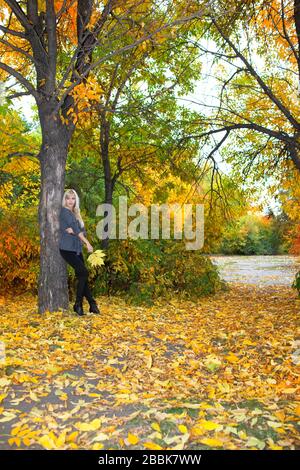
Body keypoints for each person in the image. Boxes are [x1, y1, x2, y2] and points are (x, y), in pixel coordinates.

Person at [59, 188, 100, 316]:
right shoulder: (65, 212)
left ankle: (92, 305)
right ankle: (78, 304)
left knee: (83, 275)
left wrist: (77, 232)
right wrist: (87, 243)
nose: (70, 201)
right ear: (64, 200)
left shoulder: (76, 213)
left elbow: (80, 231)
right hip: (67, 249)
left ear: (76, 200)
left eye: (72, 198)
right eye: (67, 198)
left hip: (76, 249)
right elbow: (78, 232)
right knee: (83, 272)